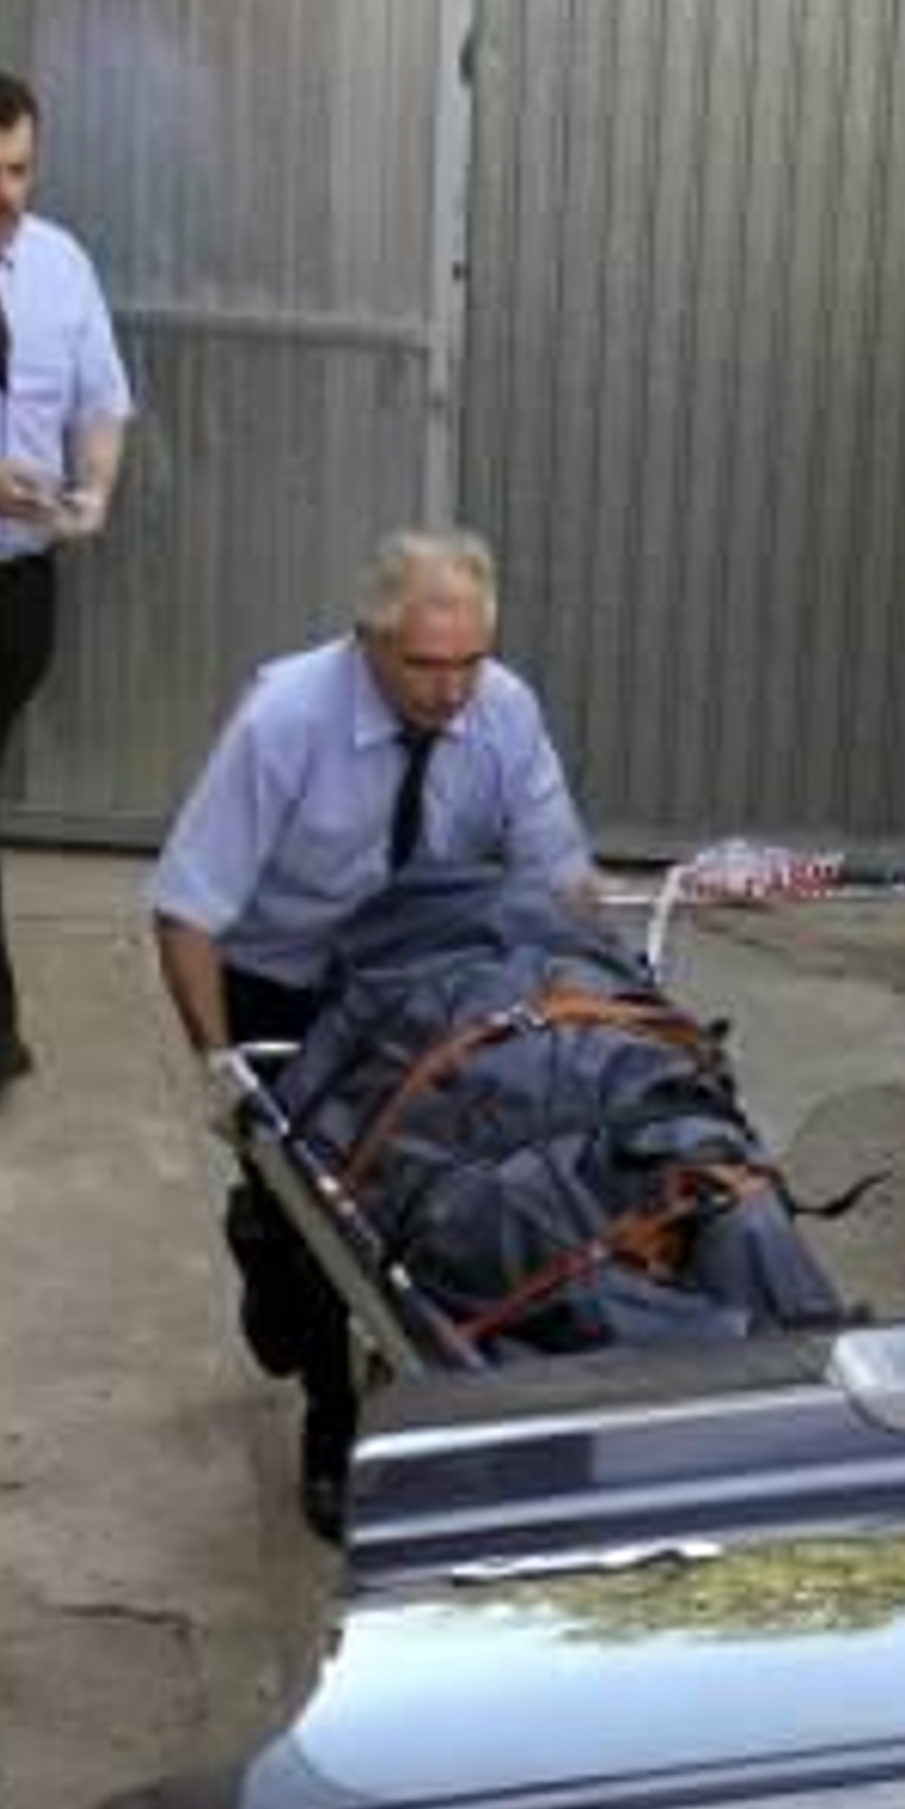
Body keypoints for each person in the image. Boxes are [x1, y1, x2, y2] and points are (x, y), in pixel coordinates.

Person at [147, 529, 596, 1540]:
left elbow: (558, 878)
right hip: (286, 979)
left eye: (470, 662)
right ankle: (329, 1412)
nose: (452, 691)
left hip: (419, 983)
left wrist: (587, 995)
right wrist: (222, 1073)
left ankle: (435, 1396)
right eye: (427, 666)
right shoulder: (285, 719)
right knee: (315, 1229)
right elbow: (186, 911)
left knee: (446, 1198)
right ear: (369, 642)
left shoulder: (504, 710)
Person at [0, 66, 134, 1099]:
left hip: (25, 580)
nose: (2, 193)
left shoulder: (61, 263)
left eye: (18, 169)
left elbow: (100, 401)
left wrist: (91, 491)